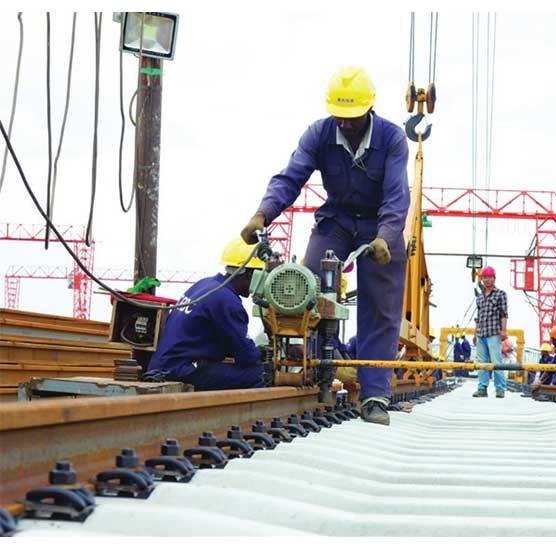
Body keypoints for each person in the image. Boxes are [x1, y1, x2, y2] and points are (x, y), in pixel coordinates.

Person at [240, 66, 409, 426]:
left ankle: (376, 395)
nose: (345, 124)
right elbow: (290, 177)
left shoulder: (393, 139)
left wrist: (386, 236)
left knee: (380, 305)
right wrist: (262, 213)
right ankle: (307, 372)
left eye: (352, 118)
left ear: (369, 110)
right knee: (304, 287)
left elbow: (397, 197)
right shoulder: (318, 134)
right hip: (337, 221)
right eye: (340, 117)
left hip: (380, 225)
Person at [145, 239, 266, 391]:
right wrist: (262, 354)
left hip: (163, 365)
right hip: (180, 370)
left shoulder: (205, 284)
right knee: (261, 374)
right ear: (249, 273)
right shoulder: (228, 301)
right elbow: (246, 357)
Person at [472, 266, 509, 398]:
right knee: (482, 362)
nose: (487, 280)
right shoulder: (479, 298)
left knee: (496, 361)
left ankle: (500, 389)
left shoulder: (501, 294)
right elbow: (478, 317)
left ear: (494, 278)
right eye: (484, 277)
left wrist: (504, 330)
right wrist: (475, 334)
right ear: (481, 279)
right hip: (481, 333)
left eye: (489, 277)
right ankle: (482, 388)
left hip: (494, 332)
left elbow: (504, 314)